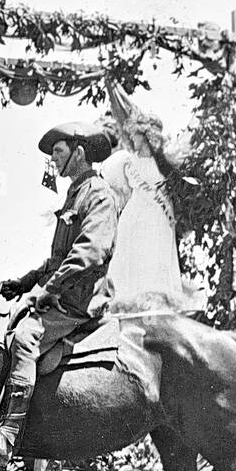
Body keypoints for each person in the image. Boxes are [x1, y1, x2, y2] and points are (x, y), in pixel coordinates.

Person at [0, 122, 119, 466]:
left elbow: (89, 254)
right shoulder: (76, 193)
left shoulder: (98, 195)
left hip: (80, 302)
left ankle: (7, 436)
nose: (53, 160)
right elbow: (57, 260)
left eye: (58, 152)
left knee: (25, 336)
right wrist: (25, 281)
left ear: (78, 153)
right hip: (64, 294)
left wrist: (45, 291)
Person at [101, 83, 187, 305]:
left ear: (147, 136)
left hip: (158, 216)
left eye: (137, 135)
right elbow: (113, 185)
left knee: (154, 259)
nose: (133, 139)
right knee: (132, 260)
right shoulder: (127, 161)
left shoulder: (165, 163)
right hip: (135, 213)